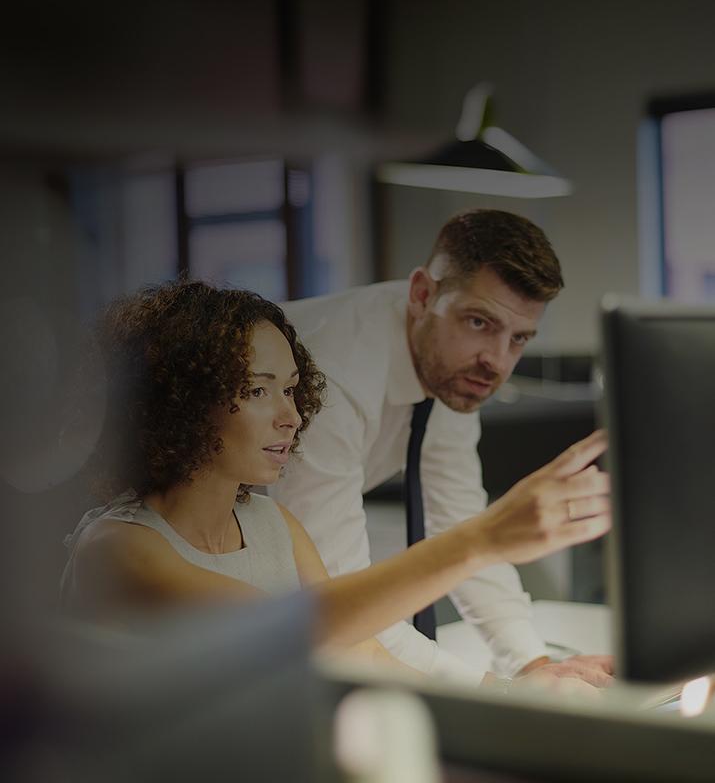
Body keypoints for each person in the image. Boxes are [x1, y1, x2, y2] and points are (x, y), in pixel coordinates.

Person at [60, 278, 610, 688]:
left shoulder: (273, 524)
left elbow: (362, 652)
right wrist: (482, 539)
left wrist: (512, 695)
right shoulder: (120, 551)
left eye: (292, 389)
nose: (292, 417)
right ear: (180, 400)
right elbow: (304, 631)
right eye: (258, 390)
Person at [270, 208, 612, 685]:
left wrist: (532, 664)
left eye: (519, 339)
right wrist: (495, 694)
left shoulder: (454, 371)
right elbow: (346, 601)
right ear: (422, 294)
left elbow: (459, 521)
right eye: (479, 323)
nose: (496, 361)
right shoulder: (329, 380)